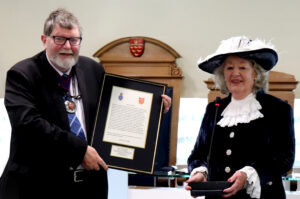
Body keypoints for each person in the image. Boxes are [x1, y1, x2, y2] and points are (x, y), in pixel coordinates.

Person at [0, 8, 171, 199]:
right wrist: (80, 151)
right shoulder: (23, 74)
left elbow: (113, 111)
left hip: (89, 187)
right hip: (38, 186)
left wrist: (152, 110)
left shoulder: (93, 70)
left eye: (74, 40)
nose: (67, 46)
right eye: (59, 39)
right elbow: (28, 125)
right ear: (44, 40)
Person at [185, 36, 295, 199]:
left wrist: (248, 174)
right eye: (229, 68)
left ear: (256, 74)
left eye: (243, 67)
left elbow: (284, 158)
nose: (235, 73)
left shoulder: (278, 109)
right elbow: (199, 155)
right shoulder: (213, 110)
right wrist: (201, 172)